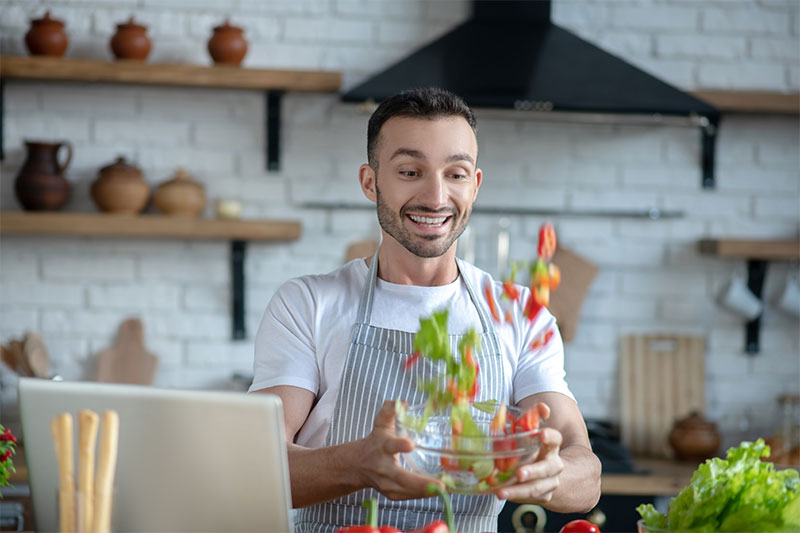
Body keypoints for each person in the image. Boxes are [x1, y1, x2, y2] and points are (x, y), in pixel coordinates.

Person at [250, 87, 601, 532]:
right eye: (411, 170)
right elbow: (258, 463)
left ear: (474, 186)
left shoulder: (519, 313)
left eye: (455, 174)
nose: (435, 196)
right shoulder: (307, 304)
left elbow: (585, 475)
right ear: (370, 181)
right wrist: (359, 463)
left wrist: (550, 475)